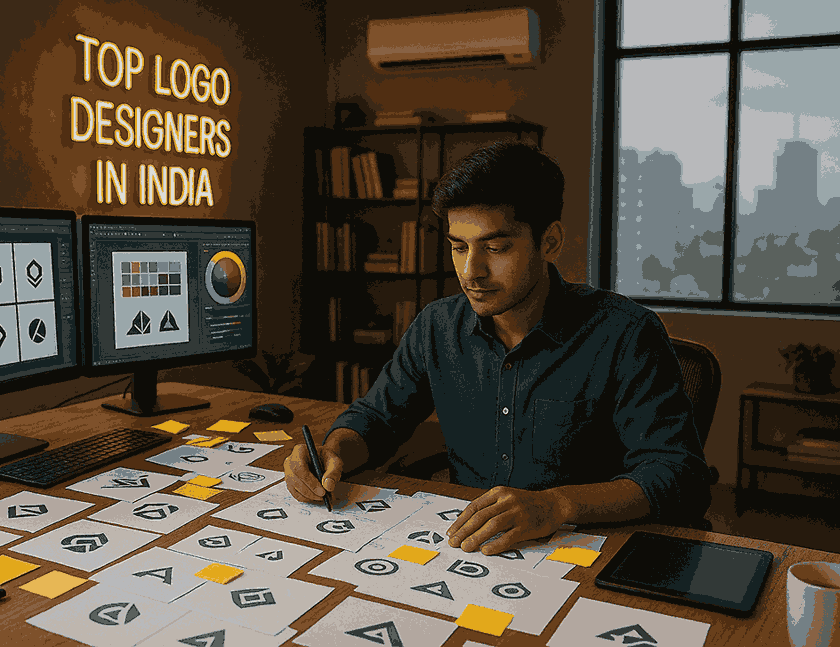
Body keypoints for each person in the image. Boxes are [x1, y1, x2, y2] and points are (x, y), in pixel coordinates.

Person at [284, 140, 712, 555]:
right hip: (472, 547)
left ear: (550, 242)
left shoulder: (626, 332)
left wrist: (555, 505)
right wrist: (334, 451)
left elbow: (678, 476)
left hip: (587, 549)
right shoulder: (437, 326)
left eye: (495, 247)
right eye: (458, 247)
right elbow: (377, 419)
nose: (472, 271)